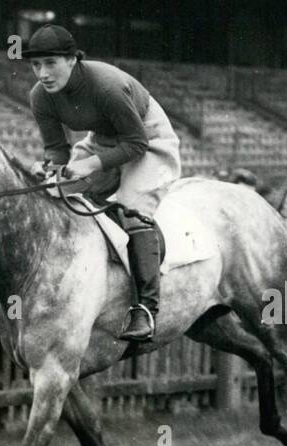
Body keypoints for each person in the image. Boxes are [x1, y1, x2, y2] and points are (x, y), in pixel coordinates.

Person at [23, 24, 182, 342]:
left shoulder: (107, 86)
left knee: (132, 208)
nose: (42, 73)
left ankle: (145, 309)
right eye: (36, 65)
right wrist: (55, 172)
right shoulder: (40, 96)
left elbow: (136, 144)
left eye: (51, 63)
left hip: (148, 137)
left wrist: (89, 165)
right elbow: (57, 149)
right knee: (52, 196)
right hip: (104, 139)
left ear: (72, 60)